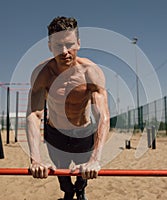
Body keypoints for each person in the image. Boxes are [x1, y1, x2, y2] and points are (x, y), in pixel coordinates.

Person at [26, 16, 110, 200]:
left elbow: (103, 116)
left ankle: (80, 191)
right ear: (49, 46)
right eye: (58, 46)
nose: (64, 51)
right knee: (63, 179)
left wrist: (95, 159)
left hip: (83, 132)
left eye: (70, 44)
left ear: (78, 43)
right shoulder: (42, 74)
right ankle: (68, 193)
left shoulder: (90, 72)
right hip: (56, 133)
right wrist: (35, 159)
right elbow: (34, 115)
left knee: (83, 177)